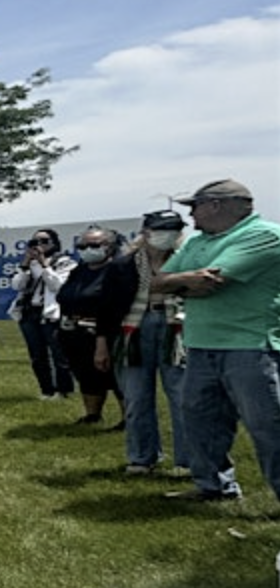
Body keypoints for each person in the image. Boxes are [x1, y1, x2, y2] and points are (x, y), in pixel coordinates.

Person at [153, 179, 280, 503]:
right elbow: (158, 282)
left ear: (216, 205)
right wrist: (186, 280)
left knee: (268, 425)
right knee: (200, 418)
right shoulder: (198, 242)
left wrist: (179, 282)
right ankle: (213, 486)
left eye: (194, 207)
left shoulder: (264, 235)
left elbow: (215, 281)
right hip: (201, 344)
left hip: (250, 346)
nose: (191, 216)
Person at [116, 210, 190, 474]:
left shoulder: (189, 260)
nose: (166, 235)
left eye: (173, 229)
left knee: (182, 396)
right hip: (136, 328)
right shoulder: (126, 264)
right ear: (145, 232)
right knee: (136, 398)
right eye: (160, 229)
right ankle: (142, 457)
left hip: (177, 329)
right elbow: (110, 305)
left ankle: (187, 460)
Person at [54, 227, 139, 426]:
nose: (86, 250)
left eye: (93, 245)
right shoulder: (79, 271)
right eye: (82, 246)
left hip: (107, 330)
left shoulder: (119, 270)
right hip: (74, 331)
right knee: (86, 373)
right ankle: (92, 414)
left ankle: (128, 418)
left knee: (115, 375)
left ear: (109, 247)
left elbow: (113, 304)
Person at [9, 229, 76, 400]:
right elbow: (17, 285)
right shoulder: (29, 265)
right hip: (29, 312)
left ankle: (64, 390)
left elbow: (57, 285)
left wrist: (44, 265)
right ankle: (47, 390)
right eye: (35, 242)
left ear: (54, 243)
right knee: (37, 355)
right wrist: (25, 263)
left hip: (51, 313)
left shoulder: (65, 263)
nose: (39, 245)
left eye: (44, 241)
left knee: (58, 353)